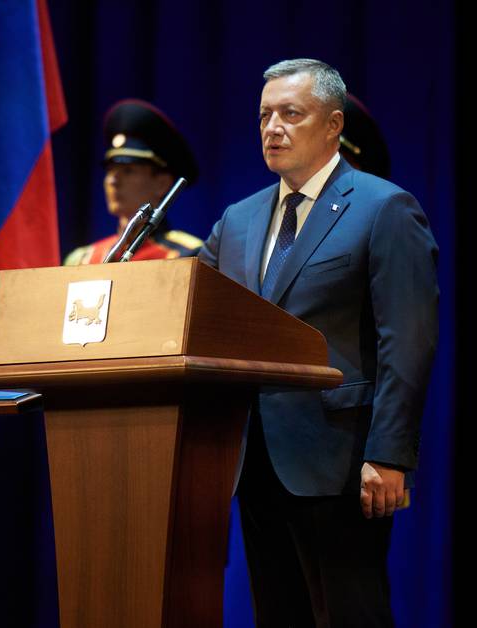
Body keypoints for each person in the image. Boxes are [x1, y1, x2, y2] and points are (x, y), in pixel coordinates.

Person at [198, 59, 438, 627]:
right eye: (264, 116)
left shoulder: (383, 208)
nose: (272, 128)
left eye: (290, 114)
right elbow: (187, 302)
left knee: (350, 616)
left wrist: (389, 454)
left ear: (333, 124)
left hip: (341, 462)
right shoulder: (239, 219)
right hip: (254, 461)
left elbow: (407, 342)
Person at [64, 99, 203, 265]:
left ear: (162, 184)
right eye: (110, 171)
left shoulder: (185, 257)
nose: (113, 180)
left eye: (128, 171)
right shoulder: (82, 260)